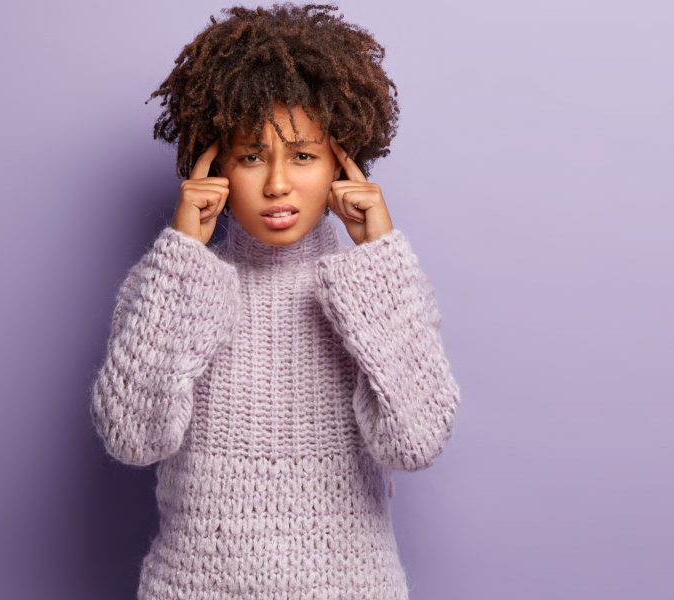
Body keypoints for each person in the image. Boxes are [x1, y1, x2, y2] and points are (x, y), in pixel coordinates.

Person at [88, 4, 461, 598]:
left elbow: (416, 441)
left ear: (344, 163)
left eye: (304, 156)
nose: (278, 183)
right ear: (213, 164)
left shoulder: (378, 286)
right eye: (252, 156)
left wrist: (378, 257)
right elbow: (132, 437)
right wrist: (185, 254)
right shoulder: (170, 282)